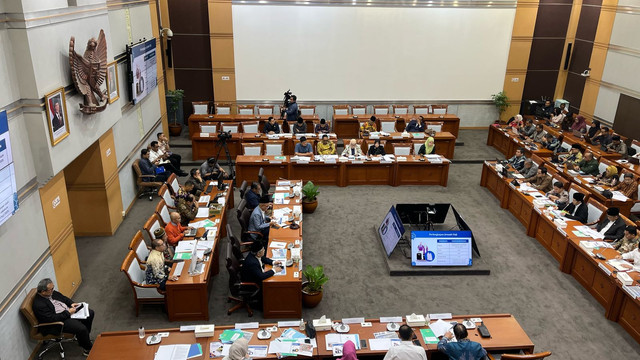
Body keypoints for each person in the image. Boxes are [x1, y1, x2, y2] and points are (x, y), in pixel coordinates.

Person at [33, 278, 95, 356]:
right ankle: (88, 349)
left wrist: (71, 303)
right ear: (43, 292)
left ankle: (83, 339)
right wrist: (68, 313)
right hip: (58, 322)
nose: (53, 290)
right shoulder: (39, 305)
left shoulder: (51, 292)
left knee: (90, 313)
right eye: (51, 289)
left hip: (67, 311)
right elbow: (52, 318)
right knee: (81, 328)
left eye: (53, 287)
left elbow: (63, 298)